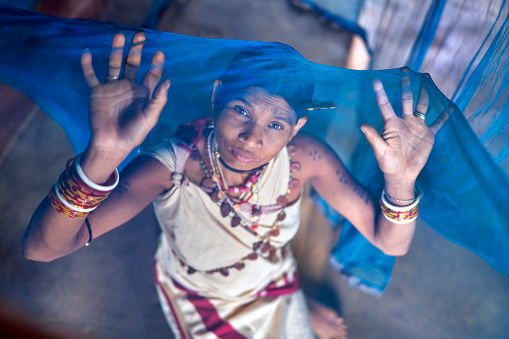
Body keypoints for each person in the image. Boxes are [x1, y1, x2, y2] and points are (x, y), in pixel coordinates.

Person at [22, 32, 447, 339]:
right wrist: (103, 155)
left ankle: (296, 302)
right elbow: (42, 249)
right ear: (216, 96)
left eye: (276, 123)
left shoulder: (304, 158)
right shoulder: (173, 166)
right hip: (204, 295)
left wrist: (401, 181)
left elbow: (389, 242)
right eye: (240, 110)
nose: (251, 138)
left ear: (297, 127)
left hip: (274, 279)